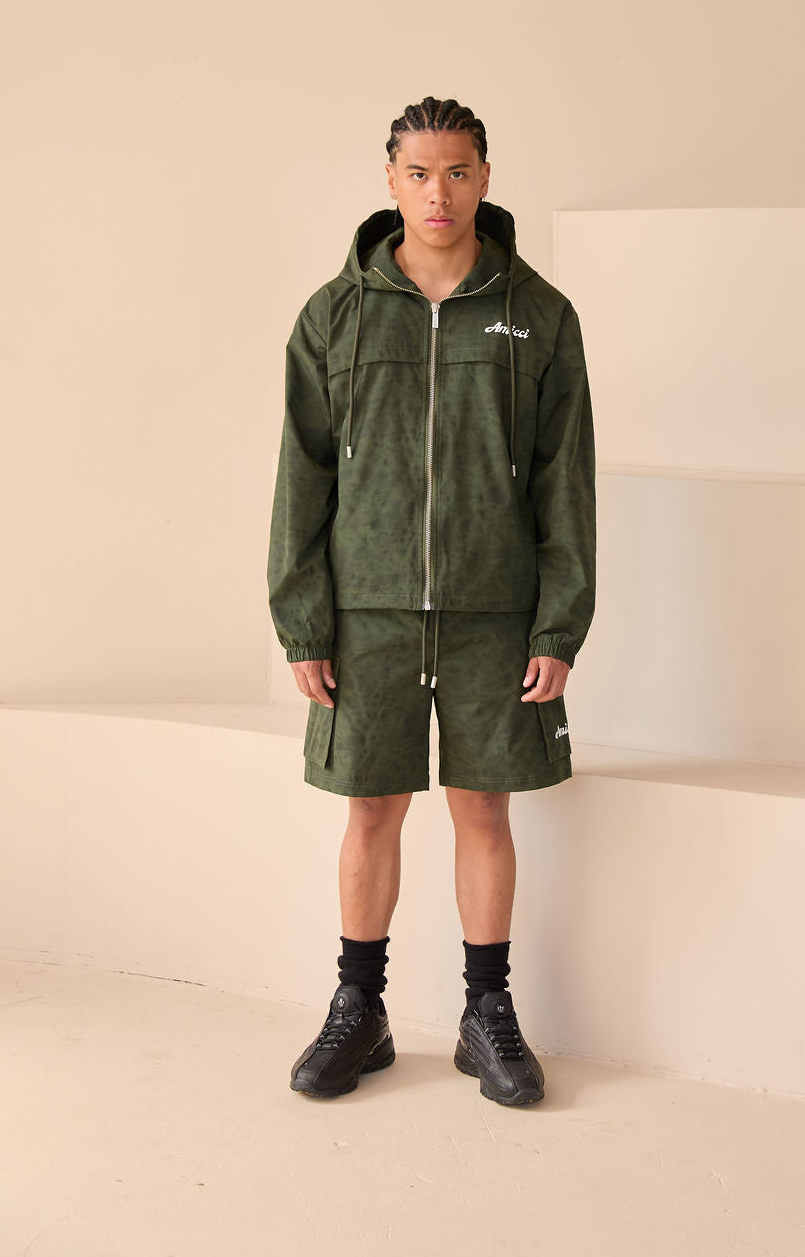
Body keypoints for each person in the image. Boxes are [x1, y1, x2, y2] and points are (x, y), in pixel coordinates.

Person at [268, 97, 595, 1107]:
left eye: (456, 171)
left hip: (494, 610)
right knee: (370, 808)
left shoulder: (539, 315)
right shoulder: (335, 315)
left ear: (485, 177)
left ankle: (485, 1013)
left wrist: (559, 622)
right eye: (418, 173)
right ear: (391, 181)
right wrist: (303, 617)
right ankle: (357, 1010)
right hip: (366, 611)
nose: (438, 192)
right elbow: (302, 476)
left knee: (482, 808)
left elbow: (565, 480)